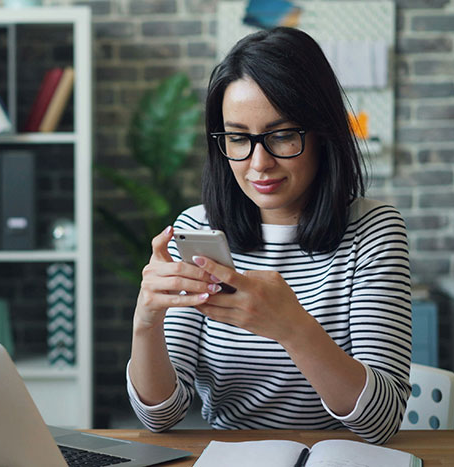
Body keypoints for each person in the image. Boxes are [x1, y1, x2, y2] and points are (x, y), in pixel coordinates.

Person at [126, 26, 411, 445]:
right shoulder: (197, 229)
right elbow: (161, 415)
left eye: (281, 135)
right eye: (239, 138)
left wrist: (292, 328)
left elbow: (381, 421)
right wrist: (145, 322)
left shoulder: (373, 230)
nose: (259, 163)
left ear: (322, 134)